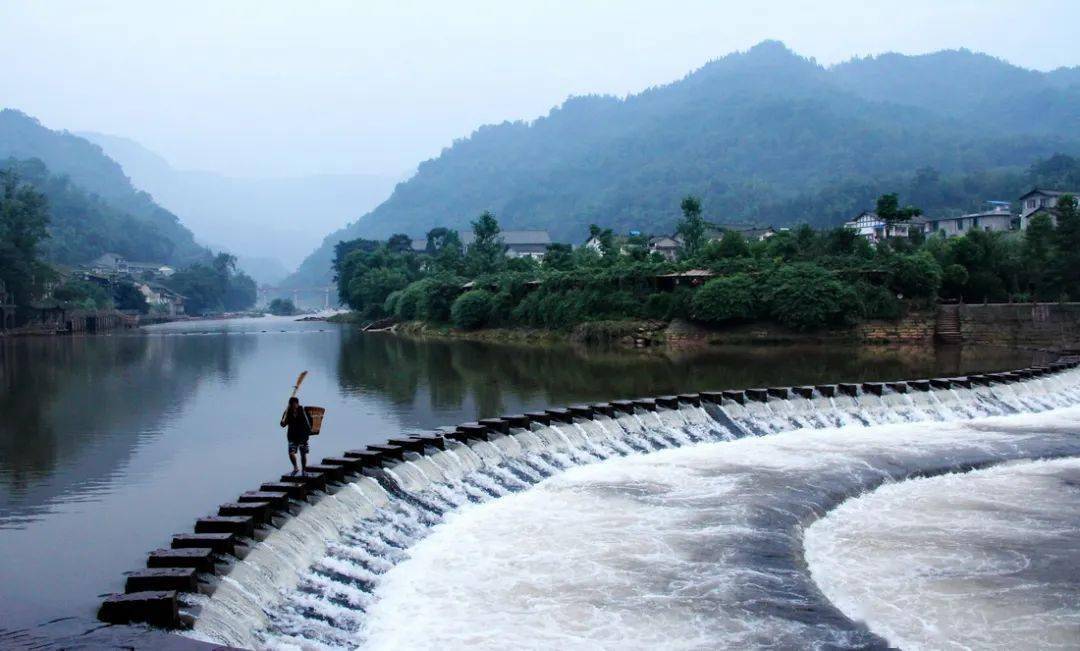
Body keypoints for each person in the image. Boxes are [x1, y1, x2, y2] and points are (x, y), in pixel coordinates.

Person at [280, 396, 312, 473]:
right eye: (292, 404)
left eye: (295, 404)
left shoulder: (303, 411)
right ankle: (295, 467)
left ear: (297, 404)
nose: (294, 406)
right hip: (292, 436)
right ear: (290, 405)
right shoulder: (287, 412)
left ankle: (304, 469)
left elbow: (309, 422)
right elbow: (283, 424)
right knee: (291, 453)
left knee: (303, 453)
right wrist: (282, 422)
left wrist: (307, 433)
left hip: (302, 436)